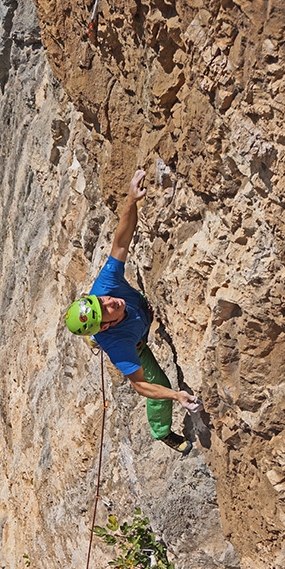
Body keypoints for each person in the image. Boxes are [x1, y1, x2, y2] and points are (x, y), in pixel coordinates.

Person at [65, 169, 202, 453]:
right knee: (159, 388)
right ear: (105, 327)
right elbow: (140, 386)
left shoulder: (105, 287)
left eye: (101, 302)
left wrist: (131, 200)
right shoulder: (117, 345)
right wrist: (177, 395)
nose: (110, 302)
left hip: (140, 314)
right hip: (136, 343)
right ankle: (162, 432)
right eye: (106, 310)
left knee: (124, 300)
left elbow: (121, 242)